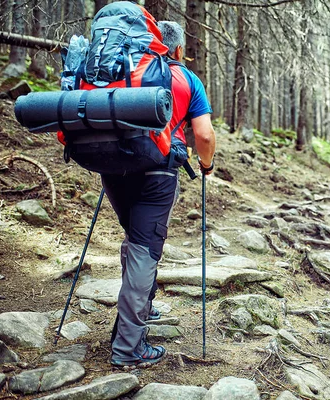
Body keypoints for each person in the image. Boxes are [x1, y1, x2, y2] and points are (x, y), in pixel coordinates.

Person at [105, 20, 216, 367]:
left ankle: (140, 311)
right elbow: (205, 136)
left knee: (136, 242)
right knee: (143, 248)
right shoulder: (186, 79)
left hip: (113, 167)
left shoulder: (123, 69)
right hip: (158, 171)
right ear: (178, 49)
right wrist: (207, 166)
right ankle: (127, 349)